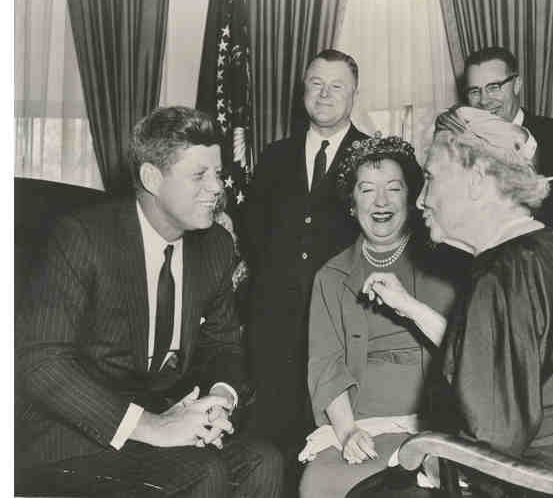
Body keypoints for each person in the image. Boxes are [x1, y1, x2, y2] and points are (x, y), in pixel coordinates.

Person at [364, 106, 553, 497]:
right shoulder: (546, 247)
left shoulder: (500, 274)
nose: (421, 200)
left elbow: (491, 443)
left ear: (477, 180)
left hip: (550, 483)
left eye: (431, 178)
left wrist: (425, 459)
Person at [15, 106, 283, 498]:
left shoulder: (215, 245)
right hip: (72, 438)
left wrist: (220, 398)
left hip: (159, 421)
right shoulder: (83, 238)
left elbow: (223, 344)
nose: (217, 187)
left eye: (218, 172)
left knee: (264, 462)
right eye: (200, 175)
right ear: (152, 178)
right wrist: (152, 427)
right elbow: (39, 361)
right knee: (203, 473)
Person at [299, 134, 459, 498]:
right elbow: (325, 365)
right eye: (367, 190)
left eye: (394, 188)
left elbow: (469, 354)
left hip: (436, 423)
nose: (381, 201)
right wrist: (347, 432)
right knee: (318, 483)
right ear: (352, 203)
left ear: (411, 196)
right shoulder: (330, 276)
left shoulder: (446, 265)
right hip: (362, 423)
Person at [242, 50, 368, 457]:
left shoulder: (375, 158)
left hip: (344, 330)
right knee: (273, 446)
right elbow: (254, 233)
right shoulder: (274, 156)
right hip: (275, 331)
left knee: (335, 448)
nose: (324, 94)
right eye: (316, 84)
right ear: (303, 92)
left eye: (337, 86)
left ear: (354, 94)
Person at [463, 46, 553, 239]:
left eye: (494, 87)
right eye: (475, 91)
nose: (484, 101)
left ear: (517, 84)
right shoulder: (460, 149)